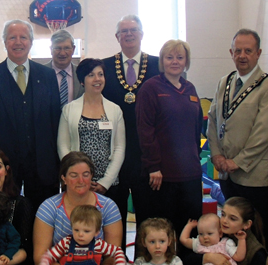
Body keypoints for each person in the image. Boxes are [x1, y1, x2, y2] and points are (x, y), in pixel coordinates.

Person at [207, 28, 268, 253]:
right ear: (231, 52)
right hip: (226, 172)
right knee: (232, 231)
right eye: (237, 50)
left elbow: (265, 132)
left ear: (258, 53)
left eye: (248, 51)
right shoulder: (225, 82)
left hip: (255, 175)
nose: (242, 55)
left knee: (258, 231)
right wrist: (216, 154)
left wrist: (237, 161)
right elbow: (213, 120)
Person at [33, 151, 123, 265]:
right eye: (74, 175)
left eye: (86, 174)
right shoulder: (49, 207)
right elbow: (40, 257)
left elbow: (113, 256)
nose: (81, 180)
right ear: (64, 178)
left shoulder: (108, 207)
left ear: (92, 176)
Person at [0, 19, 61, 210]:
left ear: (31, 42)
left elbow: (55, 122)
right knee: (2, 217)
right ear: (4, 42)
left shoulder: (47, 76)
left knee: (42, 219)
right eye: (12, 37)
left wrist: (57, 164)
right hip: (2, 168)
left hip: (43, 166)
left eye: (23, 37)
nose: (18, 42)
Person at [102, 15, 160, 250]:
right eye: (123, 31)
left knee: (147, 212)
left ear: (142, 34)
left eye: (133, 30)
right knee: (114, 215)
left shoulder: (158, 64)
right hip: (112, 153)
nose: (128, 34)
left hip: (146, 154)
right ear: (117, 37)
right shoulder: (104, 66)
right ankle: (114, 264)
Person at [136, 39, 203, 241]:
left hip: (190, 173)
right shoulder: (151, 88)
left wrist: (195, 157)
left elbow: (196, 127)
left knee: (190, 230)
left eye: (180, 57)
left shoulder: (190, 88)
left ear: (186, 62)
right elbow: (145, 129)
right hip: (163, 175)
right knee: (164, 232)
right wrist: (153, 165)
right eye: (170, 57)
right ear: (162, 60)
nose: (175, 61)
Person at [57, 58, 125, 209]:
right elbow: (63, 145)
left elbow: (120, 148)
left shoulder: (115, 110)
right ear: (82, 81)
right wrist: (77, 176)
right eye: (91, 75)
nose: (97, 79)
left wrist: (105, 182)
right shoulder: (69, 109)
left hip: (108, 184)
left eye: (100, 74)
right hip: (78, 183)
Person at [44, 29, 84, 106]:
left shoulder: (82, 73)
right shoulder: (39, 73)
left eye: (66, 48)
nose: (62, 53)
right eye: (57, 48)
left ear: (73, 49)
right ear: (51, 50)